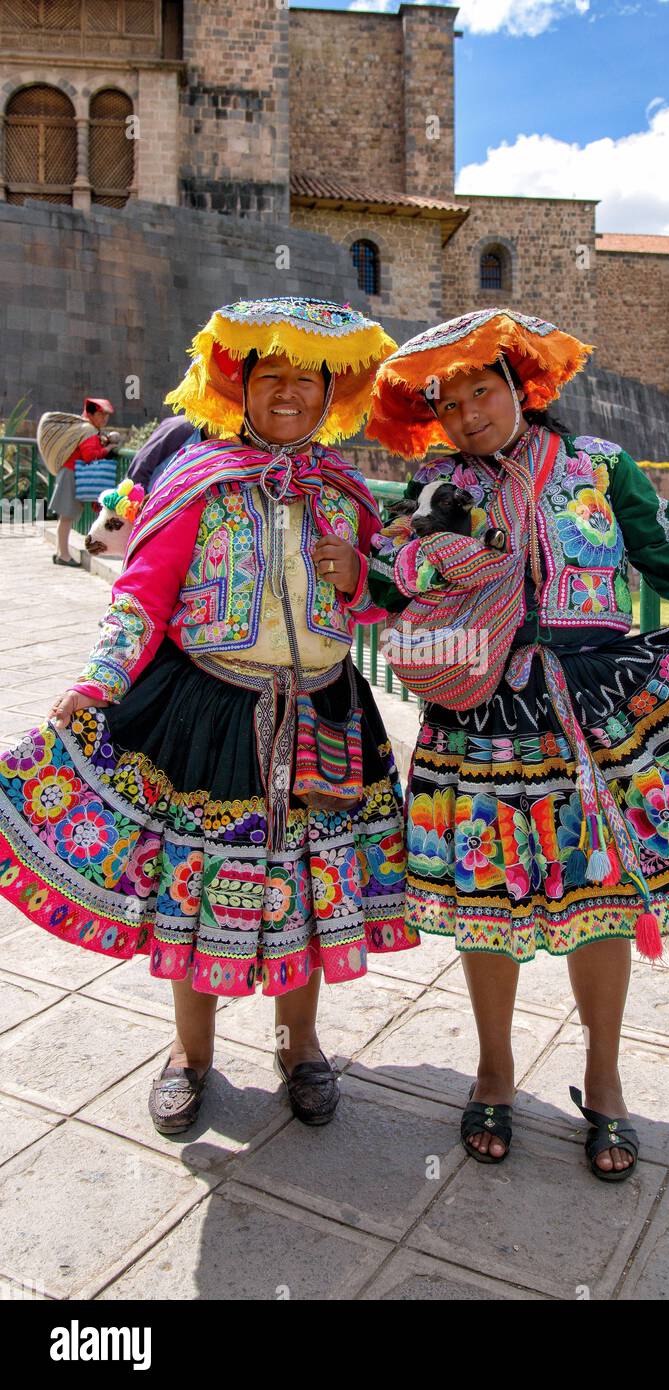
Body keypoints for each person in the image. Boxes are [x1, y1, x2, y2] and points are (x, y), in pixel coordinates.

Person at [351, 308, 669, 1179]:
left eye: (484, 390)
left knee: (602, 903)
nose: (470, 413)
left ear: (520, 388)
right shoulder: (437, 487)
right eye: (451, 401)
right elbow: (390, 583)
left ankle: (604, 1078)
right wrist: (369, 567)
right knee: (485, 899)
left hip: (597, 711)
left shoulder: (597, 469)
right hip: (479, 713)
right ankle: (494, 1070)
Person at [0, 296, 416, 1135]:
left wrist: (357, 578)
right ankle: (190, 1053)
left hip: (328, 713)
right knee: (196, 888)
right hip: (210, 712)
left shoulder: (346, 495)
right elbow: (142, 595)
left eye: (307, 380)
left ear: (331, 395)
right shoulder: (199, 481)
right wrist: (97, 682)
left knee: (304, 881)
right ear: (242, 383)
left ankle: (299, 1044)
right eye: (273, 379)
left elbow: (379, 612)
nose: (290, 395)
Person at [41, 396, 119, 566]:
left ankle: (60, 553)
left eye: (106, 415)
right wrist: (108, 449)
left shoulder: (84, 428)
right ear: (92, 414)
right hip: (71, 475)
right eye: (101, 415)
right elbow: (89, 455)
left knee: (65, 517)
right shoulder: (88, 430)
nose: (104, 419)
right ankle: (64, 556)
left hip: (69, 473)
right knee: (67, 517)